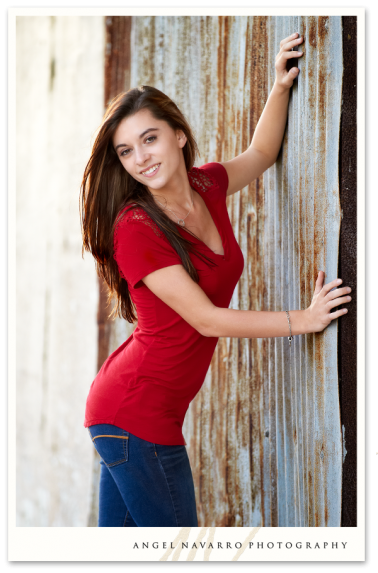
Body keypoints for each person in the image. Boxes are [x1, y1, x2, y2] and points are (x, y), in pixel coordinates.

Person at [80, 32, 351, 527]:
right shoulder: (136, 228)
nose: (140, 157)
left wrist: (280, 85)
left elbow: (261, 153)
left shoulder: (206, 184)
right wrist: (304, 319)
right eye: (126, 151)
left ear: (178, 135)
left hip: (132, 414)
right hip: (136, 414)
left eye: (149, 138)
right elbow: (205, 319)